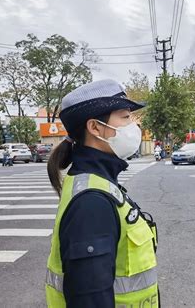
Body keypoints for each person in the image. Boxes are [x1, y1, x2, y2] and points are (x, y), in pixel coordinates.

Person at [46, 79, 159, 308]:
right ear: (95, 127)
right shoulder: (92, 203)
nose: (133, 125)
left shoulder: (100, 183)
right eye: (125, 117)